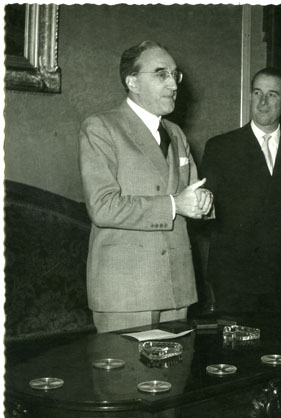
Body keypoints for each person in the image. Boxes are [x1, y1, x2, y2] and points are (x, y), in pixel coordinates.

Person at [79, 41, 213, 333]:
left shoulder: (176, 133)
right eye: (161, 74)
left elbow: (191, 193)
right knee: (126, 365)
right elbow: (102, 207)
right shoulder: (101, 127)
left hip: (176, 288)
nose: (173, 84)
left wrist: (203, 200)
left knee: (178, 364)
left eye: (175, 75)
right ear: (133, 82)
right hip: (127, 291)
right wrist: (175, 205)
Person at [199, 67, 281, 318]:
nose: (262, 102)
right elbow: (207, 215)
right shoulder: (221, 147)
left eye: (272, 95)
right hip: (234, 279)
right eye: (257, 93)